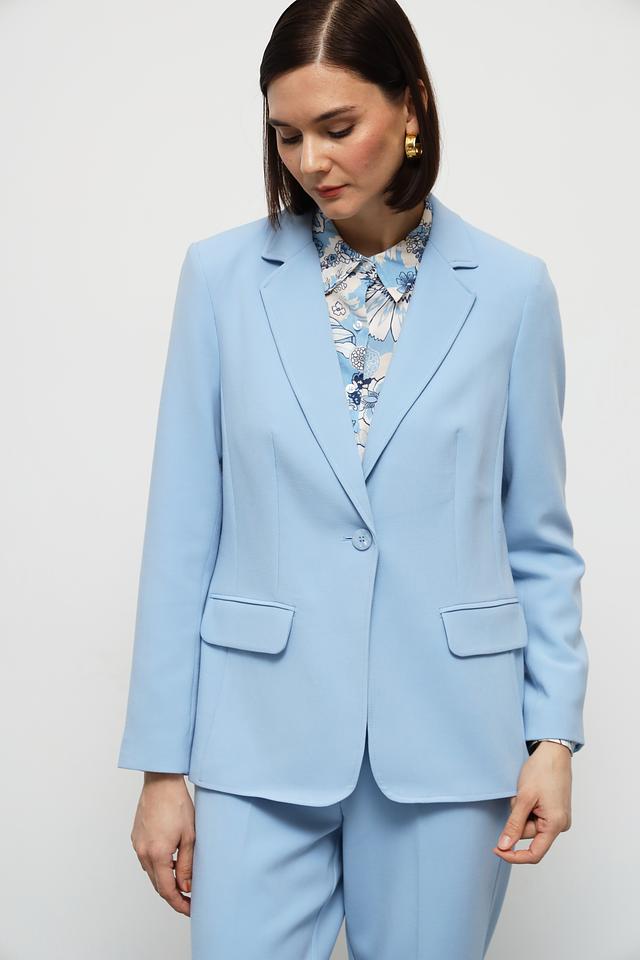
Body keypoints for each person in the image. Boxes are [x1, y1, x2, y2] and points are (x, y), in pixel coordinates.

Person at [117, 0, 589, 956]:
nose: (310, 160)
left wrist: (553, 737)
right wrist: (162, 768)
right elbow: (182, 532)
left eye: (337, 127)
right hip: (257, 739)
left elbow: (537, 537)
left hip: (450, 745)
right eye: (286, 134)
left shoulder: (511, 291)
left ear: (411, 106)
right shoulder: (219, 280)